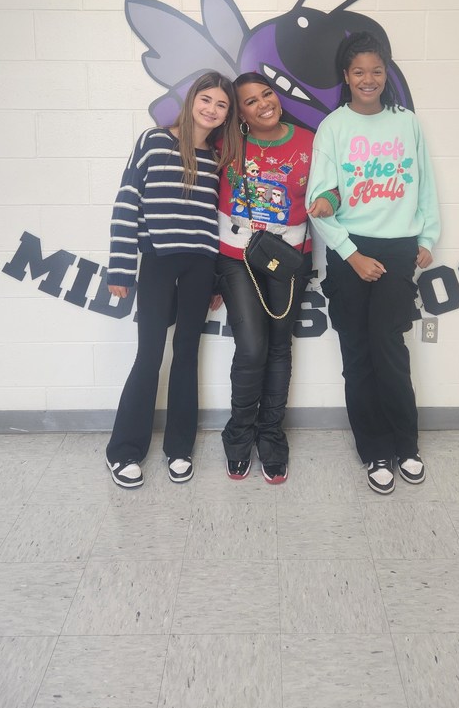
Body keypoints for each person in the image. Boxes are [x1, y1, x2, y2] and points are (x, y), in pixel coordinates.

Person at [306, 31, 440, 495]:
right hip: (349, 249)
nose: (369, 79)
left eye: (377, 71)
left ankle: (406, 445)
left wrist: (427, 236)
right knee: (357, 355)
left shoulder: (408, 124)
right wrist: (353, 255)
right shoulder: (334, 127)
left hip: (399, 245)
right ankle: (375, 450)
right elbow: (316, 201)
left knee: (390, 351)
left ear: (387, 74)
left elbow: (425, 185)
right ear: (346, 77)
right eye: (359, 72)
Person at [105, 71, 241, 488]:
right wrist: (121, 267)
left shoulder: (216, 159)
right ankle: (124, 451)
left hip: (199, 265)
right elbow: (127, 203)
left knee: (186, 355)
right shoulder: (153, 140)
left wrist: (217, 280)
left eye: (221, 105)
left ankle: (179, 449)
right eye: (206, 100)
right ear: (191, 98)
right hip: (158, 261)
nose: (212, 110)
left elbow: (212, 225)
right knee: (149, 356)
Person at [214, 72, 335, 485]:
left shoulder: (309, 141)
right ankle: (238, 433)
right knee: (252, 347)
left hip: (287, 256)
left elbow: (333, 186)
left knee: (280, 346)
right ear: (240, 112)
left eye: (267, 93)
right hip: (237, 256)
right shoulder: (227, 144)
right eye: (250, 100)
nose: (264, 103)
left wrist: (327, 199)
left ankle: (270, 435)